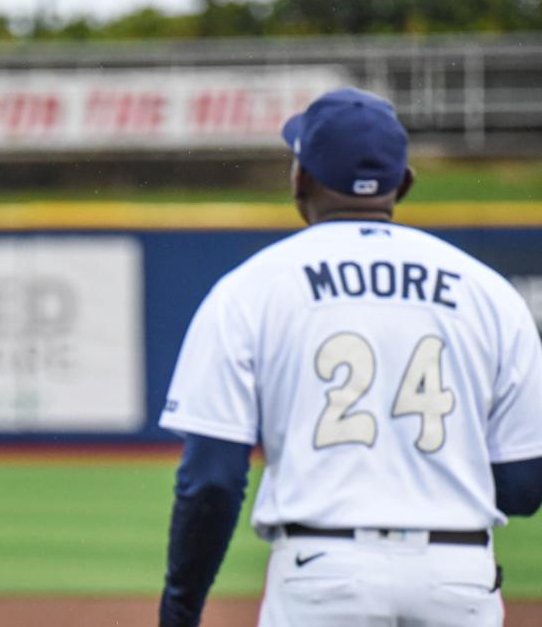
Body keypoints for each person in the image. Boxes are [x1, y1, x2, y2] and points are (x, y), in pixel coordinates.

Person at [158, 87, 542, 626]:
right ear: (403, 183)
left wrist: (180, 607)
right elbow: (524, 486)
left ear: (300, 180)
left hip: (322, 573)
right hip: (459, 577)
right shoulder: (488, 292)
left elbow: (212, 480)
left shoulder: (249, 289)